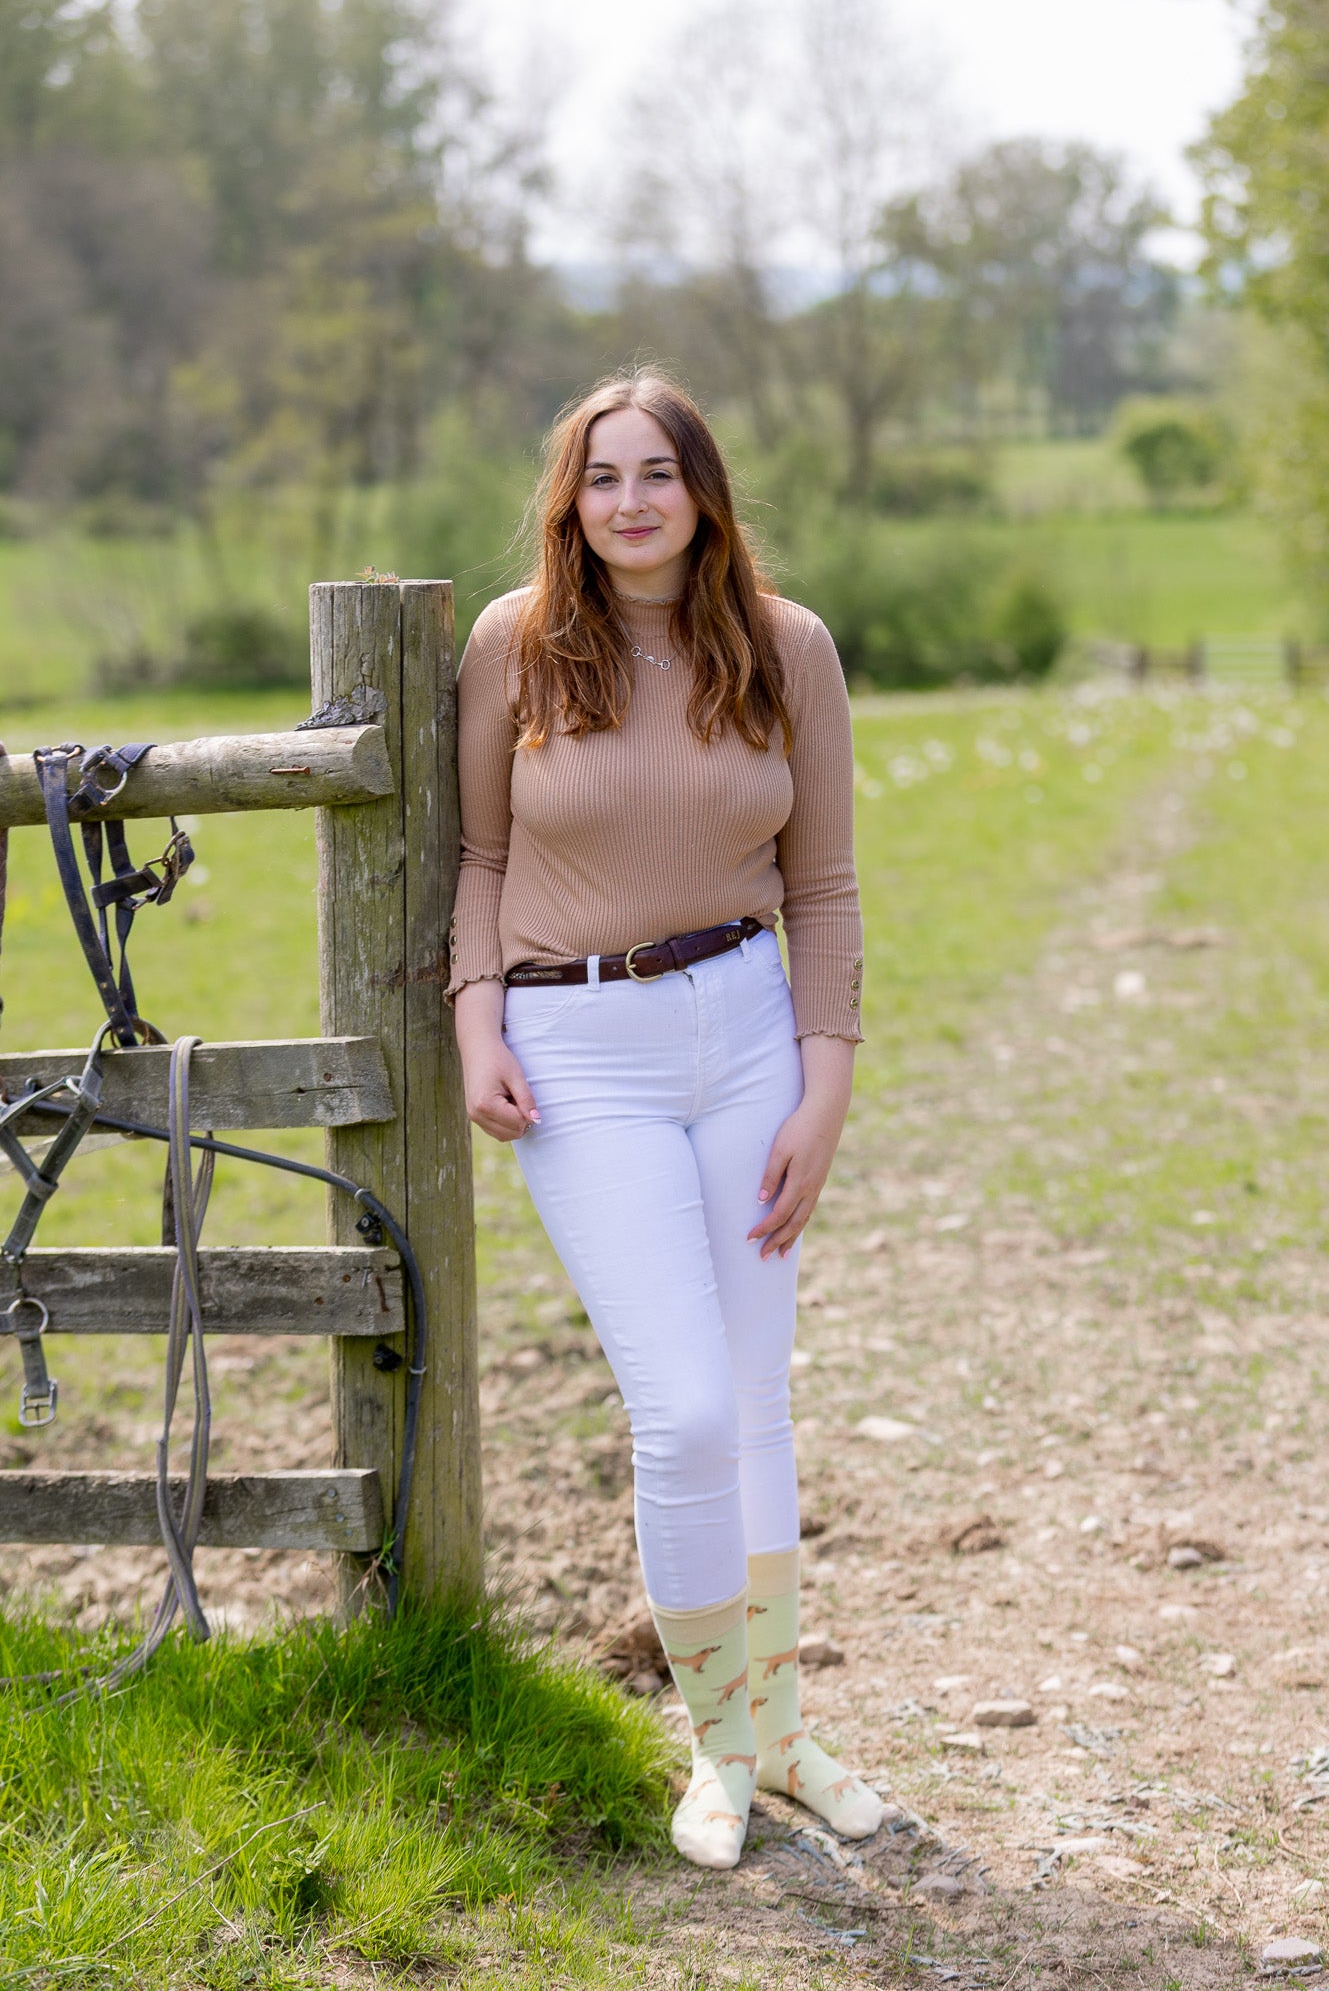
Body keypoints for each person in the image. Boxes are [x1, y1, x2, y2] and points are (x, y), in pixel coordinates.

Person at [448, 368, 879, 1870]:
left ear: (704, 492)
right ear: (571, 499)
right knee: (685, 1407)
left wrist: (824, 1084)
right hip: (584, 1053)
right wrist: (474, 1019)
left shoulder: (786, 648)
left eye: (658, 474)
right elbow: (478, 861)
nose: (630, 502)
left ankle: (782, 1733)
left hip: (749, 1028)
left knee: (758, 1403)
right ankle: (716, 1746)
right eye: (602, 476)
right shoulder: (516, 647)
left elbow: (822, 889)